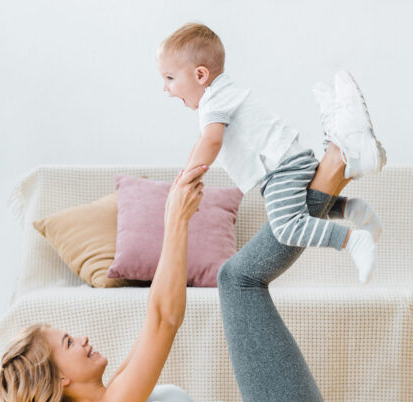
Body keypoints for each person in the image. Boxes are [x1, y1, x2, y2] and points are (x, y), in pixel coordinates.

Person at [0, 136, 373, 402]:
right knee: (237, 281)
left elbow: (151, 321)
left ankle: (338, 166)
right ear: (60, 380)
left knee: (237, 278)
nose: (83, 338)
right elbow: (164, 321)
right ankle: (338, 162)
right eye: (69, 343)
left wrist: (177, 210)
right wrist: (175, 219)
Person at [157, 22, 385, 284]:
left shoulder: (213, 102)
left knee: (287, 226)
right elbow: (202, 141)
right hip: (290, 158)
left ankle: (353, 241)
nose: (166, 88)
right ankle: (351, 208)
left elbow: (210, 142)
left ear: (200, 75)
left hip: (280, 167)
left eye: (170, 78)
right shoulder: (221, 94)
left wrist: (186, 180)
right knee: (303, 207)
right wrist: (186, 173)